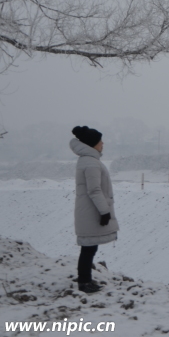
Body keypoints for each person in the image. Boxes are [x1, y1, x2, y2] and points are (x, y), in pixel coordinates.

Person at [70, 126, 119, 294]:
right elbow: (94, 190)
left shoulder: (88, 160)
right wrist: (105, 211)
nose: (102, 143)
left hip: (88, 211)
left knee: (89, 248)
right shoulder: (91, 163)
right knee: (88, 248)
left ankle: (85, 279)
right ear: (92, 144)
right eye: (99, 141)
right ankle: (84, 282)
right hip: (91, 212)